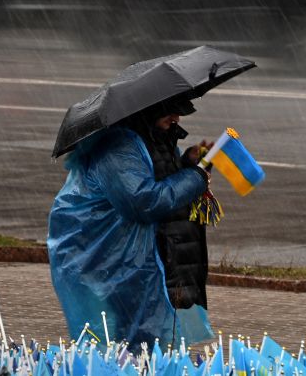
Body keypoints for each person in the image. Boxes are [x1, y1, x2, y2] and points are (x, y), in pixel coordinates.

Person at [47, 98, 214, 351]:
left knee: (153, 345)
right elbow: (143, 201)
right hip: (119, 264)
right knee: (134, 345)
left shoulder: (151, 138)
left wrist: (188, 164)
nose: (177, 118)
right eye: (170, 111)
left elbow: (156, 177)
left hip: (145, 261)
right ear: (148, 110)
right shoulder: (118, 148)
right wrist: (195, 177)